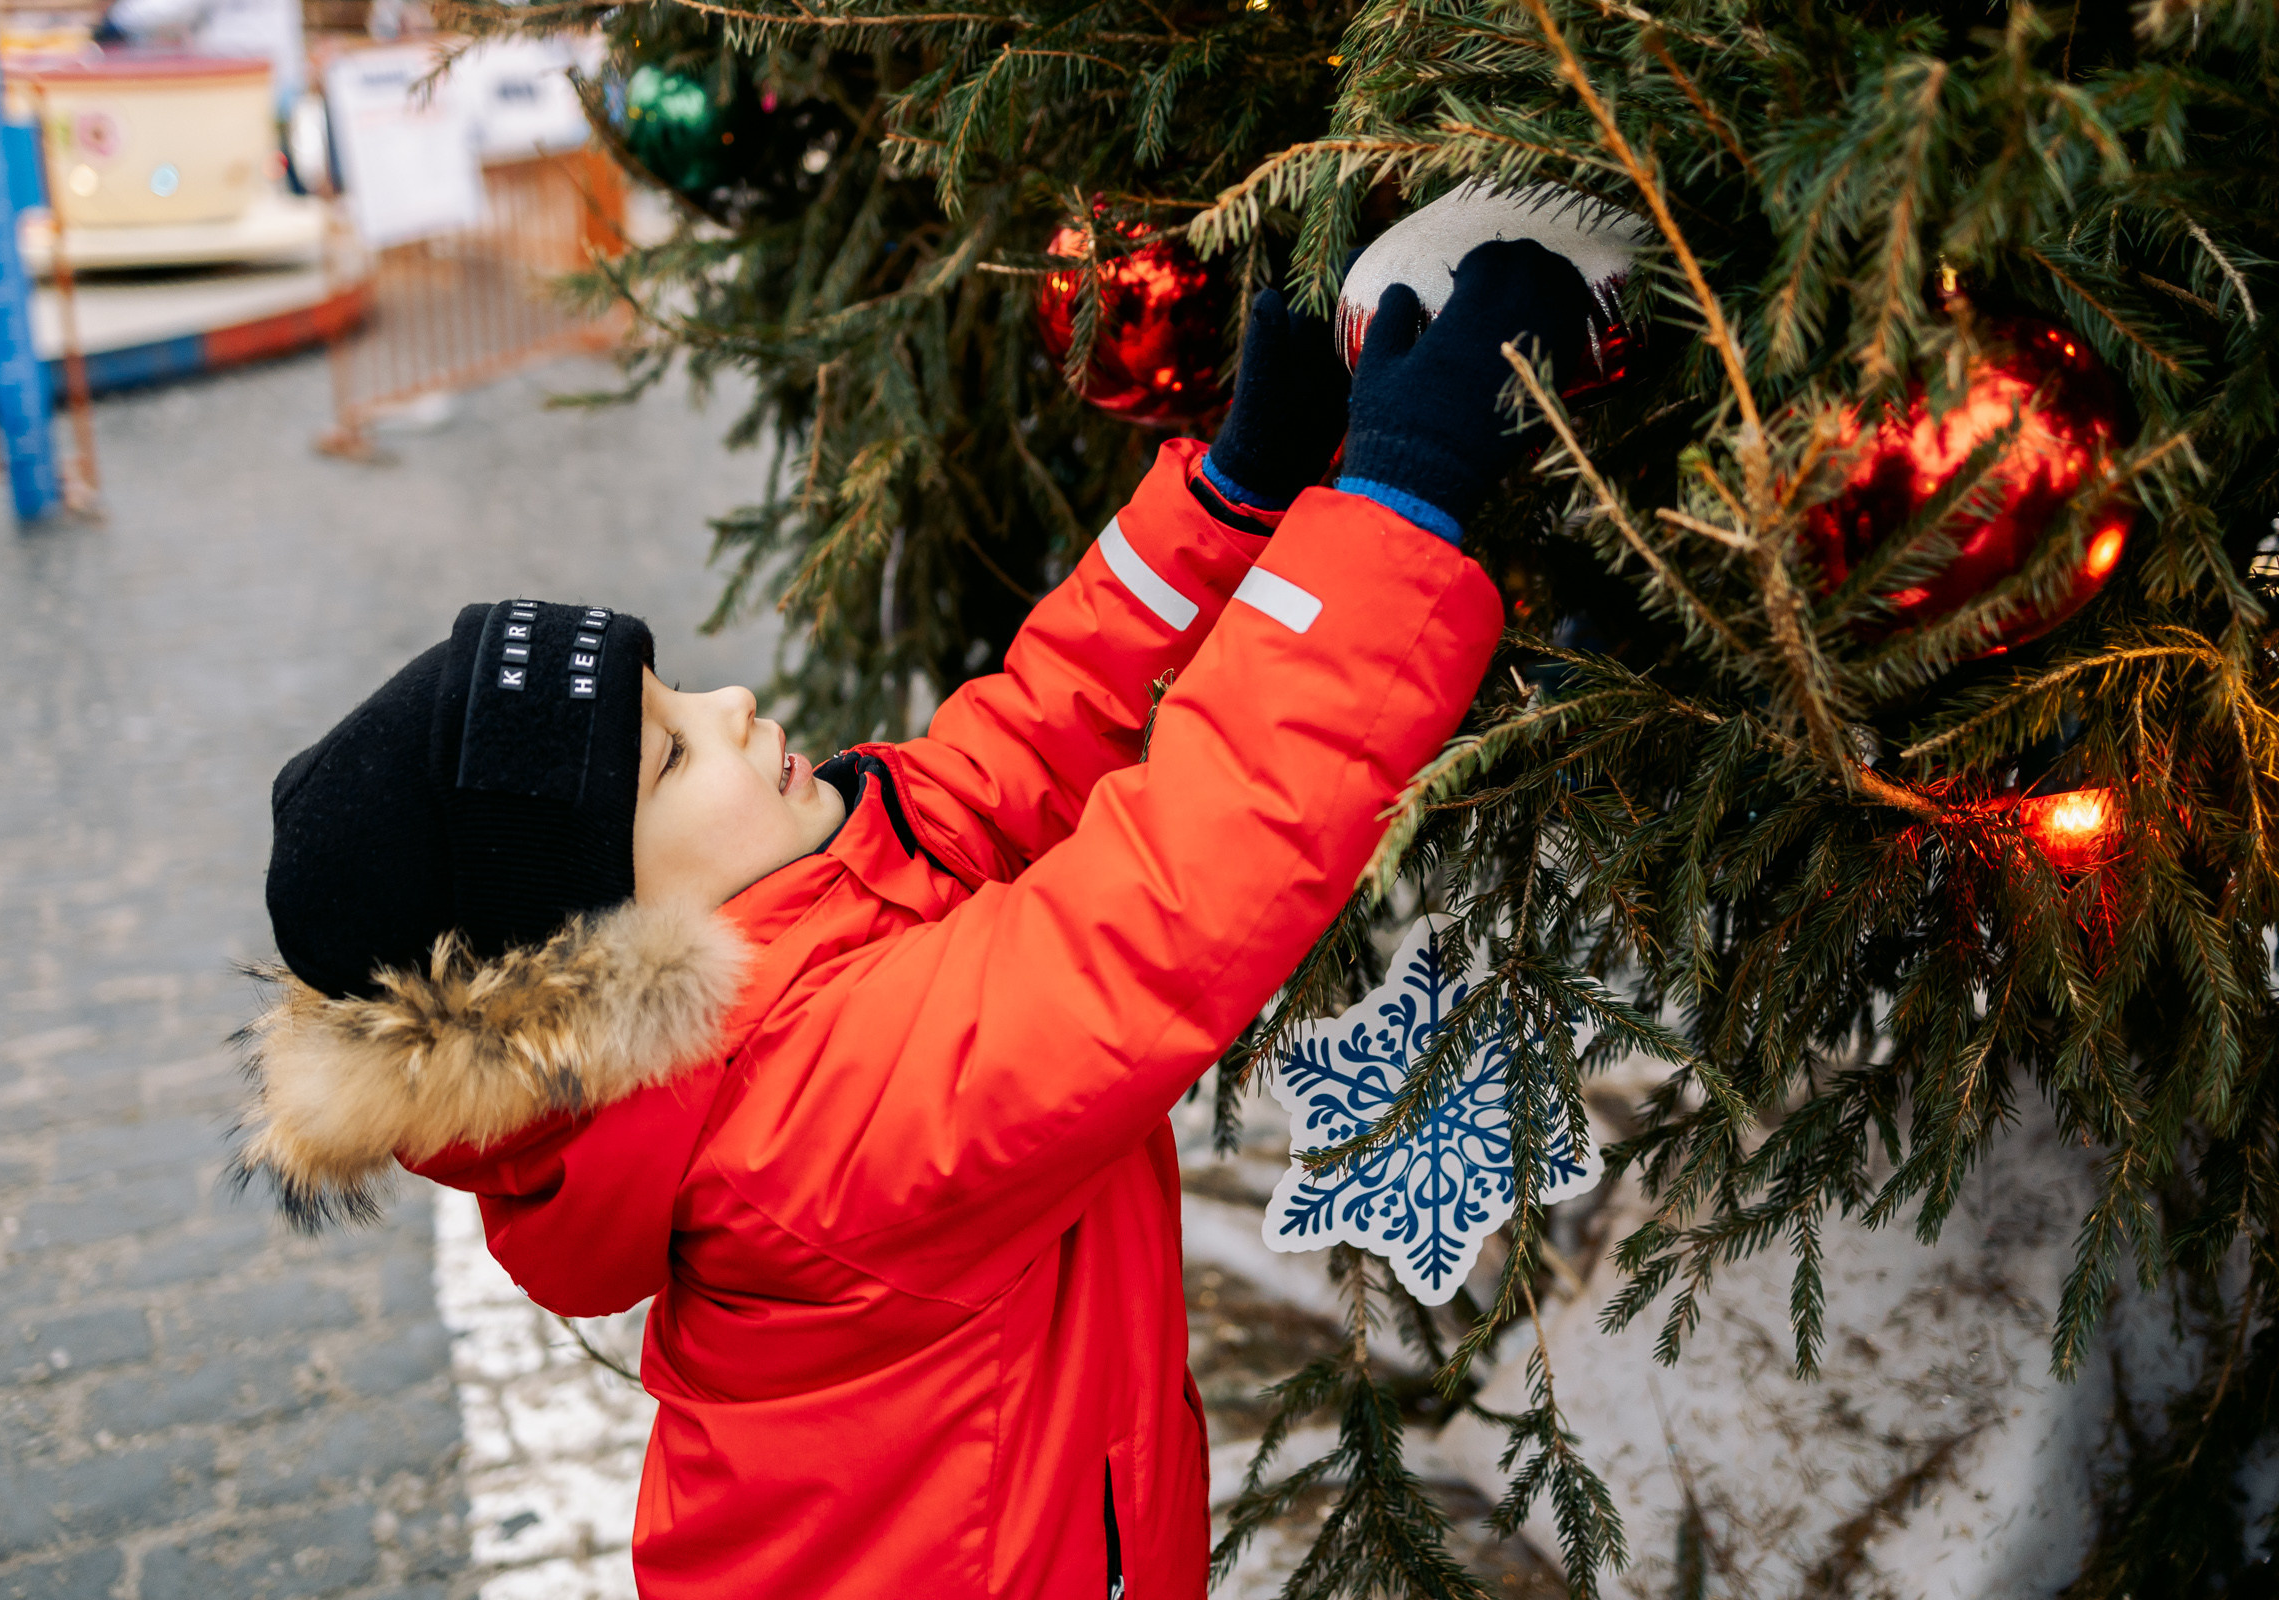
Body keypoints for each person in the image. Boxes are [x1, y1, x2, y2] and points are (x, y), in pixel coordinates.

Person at [235, 240, 1595, 1600]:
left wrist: (1236, 496)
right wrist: (1396, 512)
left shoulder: (790, 934)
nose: (729, 712)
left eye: (679, 690)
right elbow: (1166, 905)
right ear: (591, 949)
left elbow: (1017, 748)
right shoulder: (808, 1129)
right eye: (668, 757)